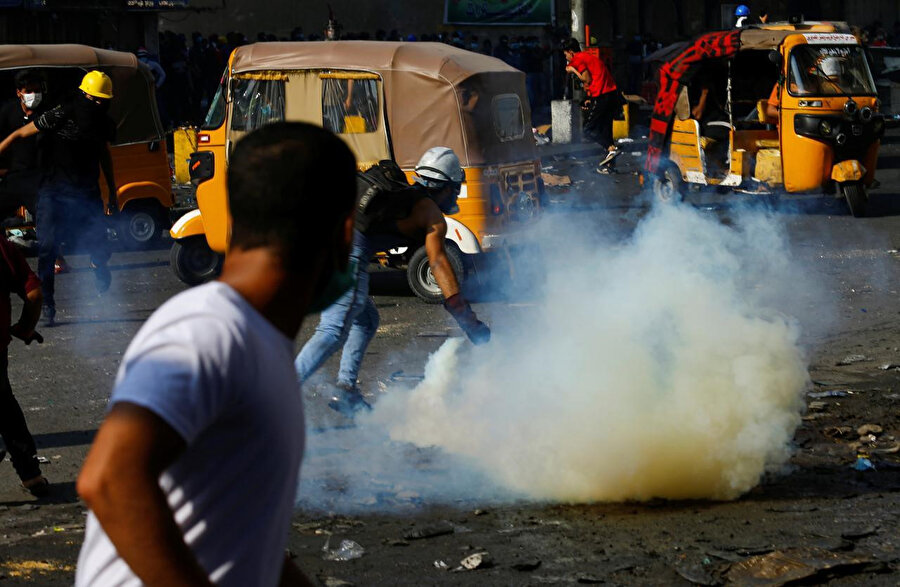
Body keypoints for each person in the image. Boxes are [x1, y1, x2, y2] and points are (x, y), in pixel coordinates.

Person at [75, 122, 356, 586]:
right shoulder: (208, 329)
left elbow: (243, 540)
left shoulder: (258, 342)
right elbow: (109, 480)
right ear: (343, 230)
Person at [295, 147, 491, 416]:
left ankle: (346, 390)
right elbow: (437, 262)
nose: (455, 195)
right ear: (444, 187)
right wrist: (466, 317)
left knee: (366, 321)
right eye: (455, 189)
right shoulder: (431, 215)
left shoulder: (399, 195)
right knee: (333, 329)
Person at [0, 70, 118, 327]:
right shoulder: (62, 113)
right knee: (47, 248)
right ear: (83, 95)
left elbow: (104, 156)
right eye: (94, 99)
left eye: (103, 100)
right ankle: (48, 305)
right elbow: (19, 134)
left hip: (87, 193)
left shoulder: (104, 124)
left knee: (99, 243)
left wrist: (113, 191)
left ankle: (100, 266)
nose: (97, 105)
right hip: (53, 192)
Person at [0, 234, 47, 497]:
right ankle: (30, 475)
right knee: (6, 407)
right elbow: (34, 295)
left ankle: (31, 475)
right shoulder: (3, 248)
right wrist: (25, 328)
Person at [562, 38, 621, 172]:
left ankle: (611, 149)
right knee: (606, 131)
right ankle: (610, 167)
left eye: (565, 54)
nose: (566, 58)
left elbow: (586, 78)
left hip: (603, 95)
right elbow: (596, 77)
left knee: (588, 130)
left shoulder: (577, 60)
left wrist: (572, 70)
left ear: (571, 52)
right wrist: (589, 98)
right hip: (611, 94)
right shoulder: (588, 56)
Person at [0, 70, 45, 222]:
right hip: (13, 176)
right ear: (19, 93)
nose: (33, 94)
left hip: (38, 180)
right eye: (29, 91)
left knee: (45, 219)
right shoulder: (8, 111)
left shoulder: (46, 115)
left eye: (37, 91)